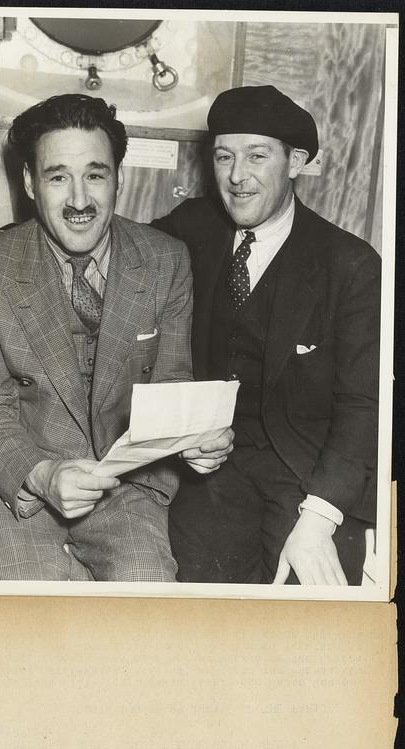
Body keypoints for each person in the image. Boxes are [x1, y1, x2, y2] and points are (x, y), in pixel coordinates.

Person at [0, 93, 232, 582]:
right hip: (19, 490)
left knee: (146, 599)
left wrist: (196, 438)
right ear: (29, 183)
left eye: (95, 175)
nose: (80, 200)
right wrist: (42, 475)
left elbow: (169, 380)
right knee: (22, 623)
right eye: (58, 176)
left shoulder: (166, 260)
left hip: (124, 487)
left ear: (118, 179)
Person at [152, 85, 381, 586]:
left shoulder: (351, 266)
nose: (237, 177)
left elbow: (365, 407)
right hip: (210, 469)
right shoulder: (193, 226)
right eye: (224, 157)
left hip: (308, 473)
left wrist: (320, 518)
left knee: (304, 619)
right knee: (196, 603)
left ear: (296, 161)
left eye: (257, 156)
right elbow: (118, 241)